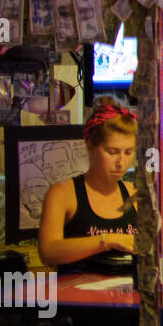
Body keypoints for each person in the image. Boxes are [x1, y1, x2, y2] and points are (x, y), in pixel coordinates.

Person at [38, 104, 138, 271]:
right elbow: (48, 252)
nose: (121, 162)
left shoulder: (134, 193)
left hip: (127, 292)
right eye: (112, 152)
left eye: (128, 152)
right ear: (90, 146)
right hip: (78, 294)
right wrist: (107, 240)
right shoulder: (62, 193)